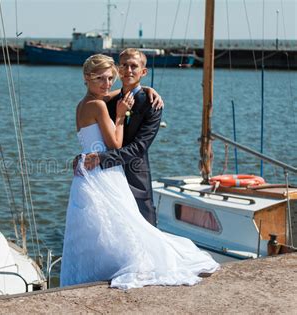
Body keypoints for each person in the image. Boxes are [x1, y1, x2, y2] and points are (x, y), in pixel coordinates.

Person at [60, 54, 219, 289]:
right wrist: (120, 115)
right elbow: (114, 144)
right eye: (100, 79)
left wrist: (147, 88)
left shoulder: (84, 104)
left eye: (109, 78)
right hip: (104, 173)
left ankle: (94, 274)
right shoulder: (101, 106)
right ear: (87, 78)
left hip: (87, 174)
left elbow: (116, 104)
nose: (106, 84)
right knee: (123, 227)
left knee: (97, 229)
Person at [83, 48, 161, 226]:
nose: (129, 70)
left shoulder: (152, 104)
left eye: (134, 66)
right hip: (106, 181)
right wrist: (82, 157)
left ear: (143, 71)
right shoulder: (106, 101)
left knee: (145, 235)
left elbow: (139, 147)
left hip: (135, 181)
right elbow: (92, 131)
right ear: (118, 69)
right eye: (124, 65)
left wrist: (101, 159)